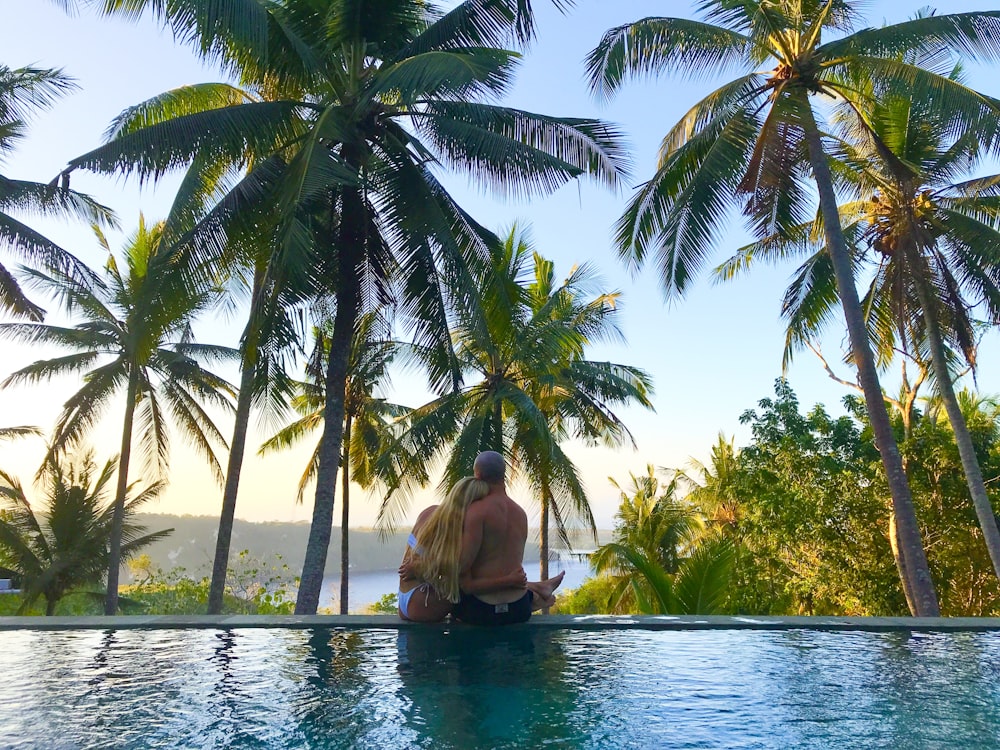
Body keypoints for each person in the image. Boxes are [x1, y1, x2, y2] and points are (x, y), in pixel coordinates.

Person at [397, 472, 564, 622]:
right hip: (422, 603)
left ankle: (536, 589)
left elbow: (427, 562)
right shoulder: (456, 529)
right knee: (470, 587)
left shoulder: (429, 513)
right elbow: (460, 577)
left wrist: (420, 568)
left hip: (405, 601)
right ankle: (533, 596)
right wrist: (509, 581)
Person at [452, 451, 563, 626]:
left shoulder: (477, 511)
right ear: (503, 474)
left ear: (477, 475)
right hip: (518, 608)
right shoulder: (520, 513)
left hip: (481, 609)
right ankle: (539, 590)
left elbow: (461, 567)